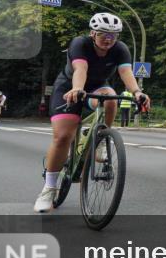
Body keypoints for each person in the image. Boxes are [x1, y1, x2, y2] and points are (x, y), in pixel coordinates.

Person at [33, 13, 149, 213]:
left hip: (97, 88)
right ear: (93, 33)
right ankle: (49, 189)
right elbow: (81, 69)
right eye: (103, 34)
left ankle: (100, 139)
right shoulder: (80, 44)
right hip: (69, 88)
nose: (108, 39)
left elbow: (125, 72)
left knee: (111, 98)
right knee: (63, 137)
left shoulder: (120, 49)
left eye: (113, 35)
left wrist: (138, 92)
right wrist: (77, 88)